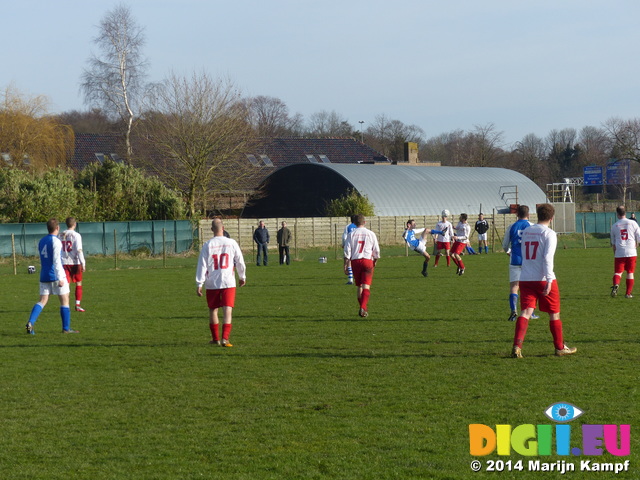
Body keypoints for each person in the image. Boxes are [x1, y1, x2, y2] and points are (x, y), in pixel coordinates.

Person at [511, 203, 577, 358]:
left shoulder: (527, 231)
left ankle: (517, 346)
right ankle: (560, 347)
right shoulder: (549, 234)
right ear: (552, 218)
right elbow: (547, 258)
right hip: (542, 278)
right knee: (554, 313)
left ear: (537, 215)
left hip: (526, 278)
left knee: (526, 312)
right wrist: (548, 279)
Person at [196, 218, 246, 347]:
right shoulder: (231, 243)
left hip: (212, 282)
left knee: (213, 310)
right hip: (228, 281)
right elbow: (239, 261)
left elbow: (202, 265)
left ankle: (215, 339)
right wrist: (242, 276)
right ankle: (225, 339)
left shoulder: (207, 245)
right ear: (223, 228)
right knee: (227, 310)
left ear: (212, 229)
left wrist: (199, 283)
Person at [25, 218, 78, 335]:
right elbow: (56, 261)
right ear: (57, 228)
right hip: (55, 275)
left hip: (44, 275)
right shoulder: (56, 241)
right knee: (65, 300)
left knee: (42, 300)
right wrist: (60, 278)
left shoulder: (42, 241)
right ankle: (66, 328)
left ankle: (30, 322)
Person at [502, 205, 538, 322]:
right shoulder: (533, 227)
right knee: (530, 288)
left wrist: (509, 252)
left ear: (517, 214)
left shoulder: (511, 226)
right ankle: (530, 312)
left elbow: (504, 245)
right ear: (528, 215)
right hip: (529, 261)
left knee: (514, 287)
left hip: (515, 260)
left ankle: (514, 310)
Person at [343, 214, 380, 318]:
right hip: (368, 260)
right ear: (365, 222)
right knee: (366, 286)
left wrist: (345, 265)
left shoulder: (351, 234)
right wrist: (375, 260)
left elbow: (347, 251)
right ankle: (363, 307)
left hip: (355, 261)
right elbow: (376, 250)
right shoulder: (371, 233)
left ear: (354, 223)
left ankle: (363, 308)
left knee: (359, 286)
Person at [610, 205, 640, 298]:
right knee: (630, 273)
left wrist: (615, 253)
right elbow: (638, 237)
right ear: (625, 213)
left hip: (620, 252)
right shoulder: (633, 223)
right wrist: (637, 244)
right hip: (631, 251)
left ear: (617, 214)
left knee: (618, 272)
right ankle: (628, 294)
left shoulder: (614, 226)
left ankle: (616, 284)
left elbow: (613, 243)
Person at [59, 217, 86, 312]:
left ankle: (66, 305)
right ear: (75, 224)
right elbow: (79, 250)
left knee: (66, 285)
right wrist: (83, 262)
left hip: (64, 262)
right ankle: (77, 305)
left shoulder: (61, 234)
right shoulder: (76, 235)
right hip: (75, 262)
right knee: (78, 282)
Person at [342, 215, 358, 284]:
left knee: (349, 260)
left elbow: (344, 237)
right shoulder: (359, 227)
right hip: (358, 245)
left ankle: (350, 279)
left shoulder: (348, 227)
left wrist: (344, 244)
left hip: (349, 245)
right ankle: (357, 277)